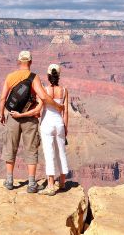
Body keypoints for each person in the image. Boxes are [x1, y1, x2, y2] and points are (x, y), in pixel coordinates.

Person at [0, 51, 64, 193]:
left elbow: (3, 98)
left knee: (10, 146)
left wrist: (1, 114)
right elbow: (43, 97)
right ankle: (32, 183)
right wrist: (58, 106)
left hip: (13, 116)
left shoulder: (10, 77)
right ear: (31, 62)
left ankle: (9, 181)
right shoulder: (34, 78)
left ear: (18, 61)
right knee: (31, 149)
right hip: (29, 119)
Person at [38, 64, 69, 196]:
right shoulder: (64, 90)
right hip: (59, 123)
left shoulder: (44, 90)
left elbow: (39, 109)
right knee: (61, 152)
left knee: (49, 153)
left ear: (48, 76)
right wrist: (65, 128)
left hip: (47, 124)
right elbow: (66, 111)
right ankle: (62, 182)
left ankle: (50, 185)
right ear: (58, 76)